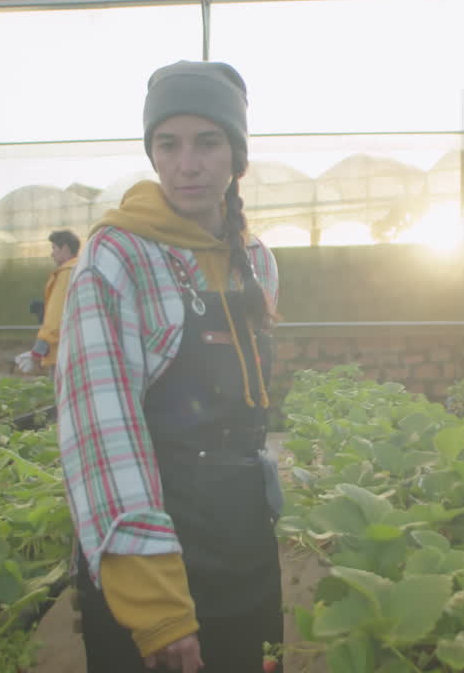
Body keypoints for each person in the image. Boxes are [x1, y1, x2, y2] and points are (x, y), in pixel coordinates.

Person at [55, 61, 282, 673]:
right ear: (152, 154)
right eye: (168, 144)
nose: (188, 164)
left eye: (208, 143)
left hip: (241, 533)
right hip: (154, 538)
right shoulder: (117, 254)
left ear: (237, 156)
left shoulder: (255, 259)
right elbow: (102, 430)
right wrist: (156, 603)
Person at [15, 230, 80, 374]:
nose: (52, 254)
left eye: (54, 248)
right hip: (76, 347)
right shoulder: (80, 269)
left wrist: (38, 351)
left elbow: (55, 317)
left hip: (61, 352)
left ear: (65, 248)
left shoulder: (66, 273)